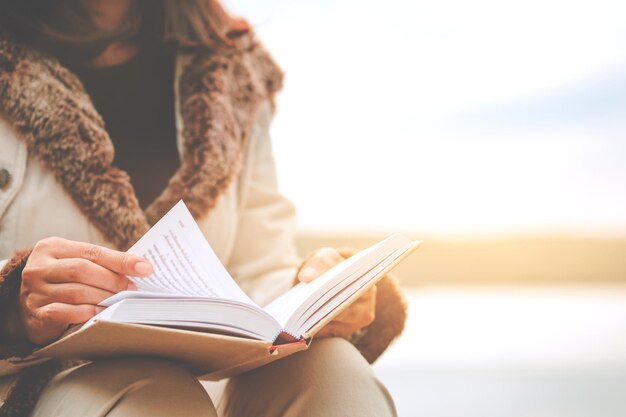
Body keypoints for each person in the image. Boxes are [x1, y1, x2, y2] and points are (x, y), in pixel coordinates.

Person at [0, 1, 407, 416]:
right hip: (28, 386)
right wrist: (11, 308)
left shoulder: (230, 64)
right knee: (151, 397)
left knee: (334, 373)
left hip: (201, 387)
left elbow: (256, 270)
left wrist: (314, 292)